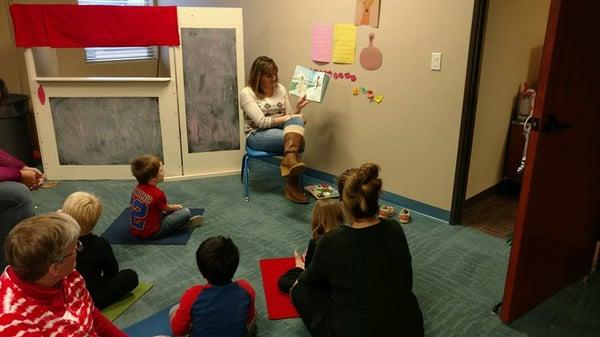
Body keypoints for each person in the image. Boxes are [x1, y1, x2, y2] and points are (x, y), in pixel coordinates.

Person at [291, 163, 424, 337]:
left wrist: (301, 269)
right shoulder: (395, 229)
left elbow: (310, 280)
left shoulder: (332, 241)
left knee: (299, 289)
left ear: (342, 204)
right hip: (410, 330)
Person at [0, 212, 126, 336]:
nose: (78, 250)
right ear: (55, 268)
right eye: (75, 248)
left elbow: (91, 314)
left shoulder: (68, 275)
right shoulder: (15, 325)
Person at [240, 56, 310, 203]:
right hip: (257, 134)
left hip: (280, 130)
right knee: (299, 142)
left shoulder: (280, 88)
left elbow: (291, 116)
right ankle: (292, 185)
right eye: (269, 75)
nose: (274, 78)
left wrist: (296, 109)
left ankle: (288, 162)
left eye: (275, 73)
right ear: (258, 77)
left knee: (297, 121)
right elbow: (262, 122)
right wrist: (289, 117)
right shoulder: (247, 93)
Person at [61, 191, 139, 309]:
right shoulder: (100, 244)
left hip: (64, 294)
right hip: (91, 297)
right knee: (130, 276)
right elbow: (112, 271)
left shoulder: (57, 239)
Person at [170, 236, 256, 337]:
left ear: (202, 272)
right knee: (253, 311)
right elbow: (248, 319)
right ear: (235, 267)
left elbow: (178, 331)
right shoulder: (246, 288)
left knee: (174, 310)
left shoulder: (192, 295)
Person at [277, 199, 344, 293]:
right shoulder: (347, 236)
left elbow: (309, 275)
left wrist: (301, 266)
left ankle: (299, 266)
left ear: (317, 218)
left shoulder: (316, 243)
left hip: (322, 288)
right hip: (342, 284)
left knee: (283, 281)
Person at [129, 154, 203, 238]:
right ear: (153, 178)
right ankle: (178, 225)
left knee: (160, 207)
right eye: (161, 170)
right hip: (152, 233)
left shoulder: (137, 189)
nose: (163, 172)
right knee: (185, 212)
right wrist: (176, 207)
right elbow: (168, 209)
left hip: (135, 229)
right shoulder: (158, 194)